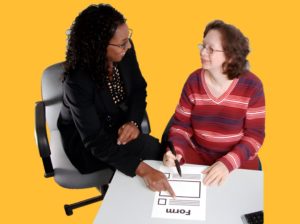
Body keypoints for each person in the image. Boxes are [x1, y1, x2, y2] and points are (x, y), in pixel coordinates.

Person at [57, 4, 174, 196]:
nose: (128, 46)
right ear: (98, 46)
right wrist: (143, 169)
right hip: (87, 141)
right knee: (152, 152)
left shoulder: (125, 49)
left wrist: (133, 121)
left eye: (128, 40)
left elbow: (138, 88)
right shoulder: (77, 82)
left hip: (119, 124)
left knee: (155, 153)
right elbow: (94, 140)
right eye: (122, 44)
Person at [163, 20, 265, 186]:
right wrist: (175, 152)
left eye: (211, 49)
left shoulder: (252, 85)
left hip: (237, 157)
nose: (203, 52)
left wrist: (227, 163)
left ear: (231, 56)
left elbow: (255, 136)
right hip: (197, 153)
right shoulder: (193, 80)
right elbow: (180, 126)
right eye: (203, 46)